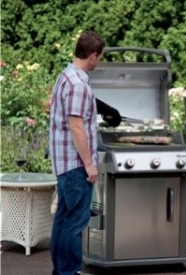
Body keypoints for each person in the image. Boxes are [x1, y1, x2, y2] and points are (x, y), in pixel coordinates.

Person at [49, 30, 105, 274]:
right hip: (75, 166)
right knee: (74, 224)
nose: (99, 61)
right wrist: (90, 164)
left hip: (64, 165)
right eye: (100, 57)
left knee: (63, 220)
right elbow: (76, 126)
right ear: (92, 55)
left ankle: (60, 272)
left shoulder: (65, 76)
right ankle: (68, 272)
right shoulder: (78, 84)